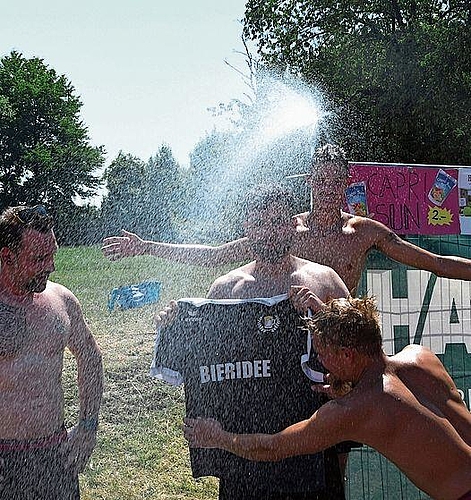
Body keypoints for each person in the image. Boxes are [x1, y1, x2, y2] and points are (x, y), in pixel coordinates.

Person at [153, 185, 350, 499]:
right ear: (246, 228)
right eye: (259, 223)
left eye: (278, 221)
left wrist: (321, 312)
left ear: (293, 224)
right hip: (242, 455)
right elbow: (206, 364)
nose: (269, 231)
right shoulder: (226, 290)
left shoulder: (324, 280)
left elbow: (361, 347)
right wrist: (175, 326)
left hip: (311, 445)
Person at [184, 295, 471, 500]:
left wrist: (218, 438)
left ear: (347, 354)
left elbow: (271, 449)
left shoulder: (354, 410)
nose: (320, 361)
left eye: (323, 354)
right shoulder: (421, 356)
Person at [101, 144, 471, 295]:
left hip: (341, 339)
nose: (327, 190)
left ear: (346, 184)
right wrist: (146, 246)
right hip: (290, 335)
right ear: (310, 181)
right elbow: (215, 255)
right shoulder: (288, 231)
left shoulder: (364, 233)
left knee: (338, 452)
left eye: (335, 182)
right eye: (320, 181)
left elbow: (435, 263)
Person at [0, 205, 104, 500]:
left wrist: (87, 426)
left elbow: (89, 357)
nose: (51, 266)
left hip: (55, 453)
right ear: (7, 256)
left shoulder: (61, 301)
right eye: (39, 259)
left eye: (53, 254)